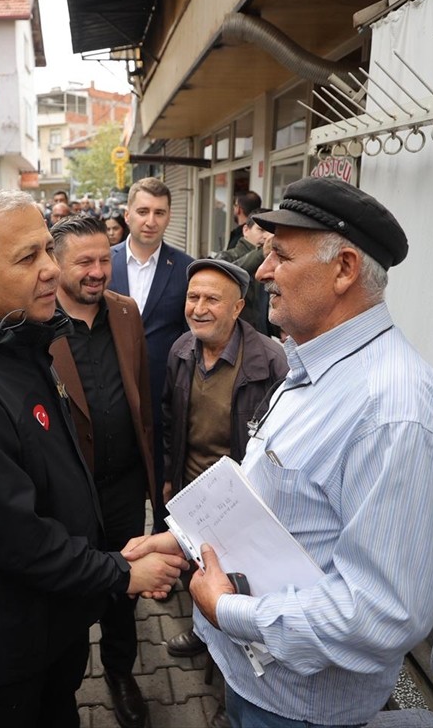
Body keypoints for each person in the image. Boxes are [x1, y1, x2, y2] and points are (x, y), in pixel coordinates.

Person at [124, 177, 433, 727]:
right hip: (258, 682)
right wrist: (181, 538)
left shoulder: (394, 412)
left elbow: (383, 613)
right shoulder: (310, 365)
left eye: (280, 255)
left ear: (345, 269)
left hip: (301, 709)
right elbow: (275, 500)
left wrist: (227, 609)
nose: (262, 272)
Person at [0, 190, 186, 728]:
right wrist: (118, 572)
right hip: (12, 640)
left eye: (46, 251)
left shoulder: (20, 342)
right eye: (26, 258)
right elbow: (15, 539)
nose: (49, 271)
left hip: (52, 619)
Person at [48, 216, 154, 728]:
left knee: (125, 584)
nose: (97, 272)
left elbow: (142, 393)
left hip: (126, 487)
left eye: (103, 259)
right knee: (71, 585)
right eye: (84, 262)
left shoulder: (126, 311)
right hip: (71, 492)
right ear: (57, 264)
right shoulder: (37, 323)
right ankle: (63, 681)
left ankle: (119, 671)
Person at [160, 258, 288, 662]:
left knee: (239, 586)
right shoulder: (182, 350)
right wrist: (168, 477)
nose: (198, 308)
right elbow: (168, 420)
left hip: (242, 498)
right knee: (198, 573)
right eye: (192, 297)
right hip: (191, 490)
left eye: (212, 299)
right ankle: (203, 632)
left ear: (237, 307)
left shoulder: (269, 361)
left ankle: (234, 675)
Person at [109, 177, 193, 523]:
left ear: (169, 216)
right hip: (111, 393)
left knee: (163, 486)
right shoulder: (104, 264)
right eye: (143, 211)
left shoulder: (186, 267)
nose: (150, 220)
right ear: (127, 214)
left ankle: (164, 559)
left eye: (159, 212)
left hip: (162, 398)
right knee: (117, 483)